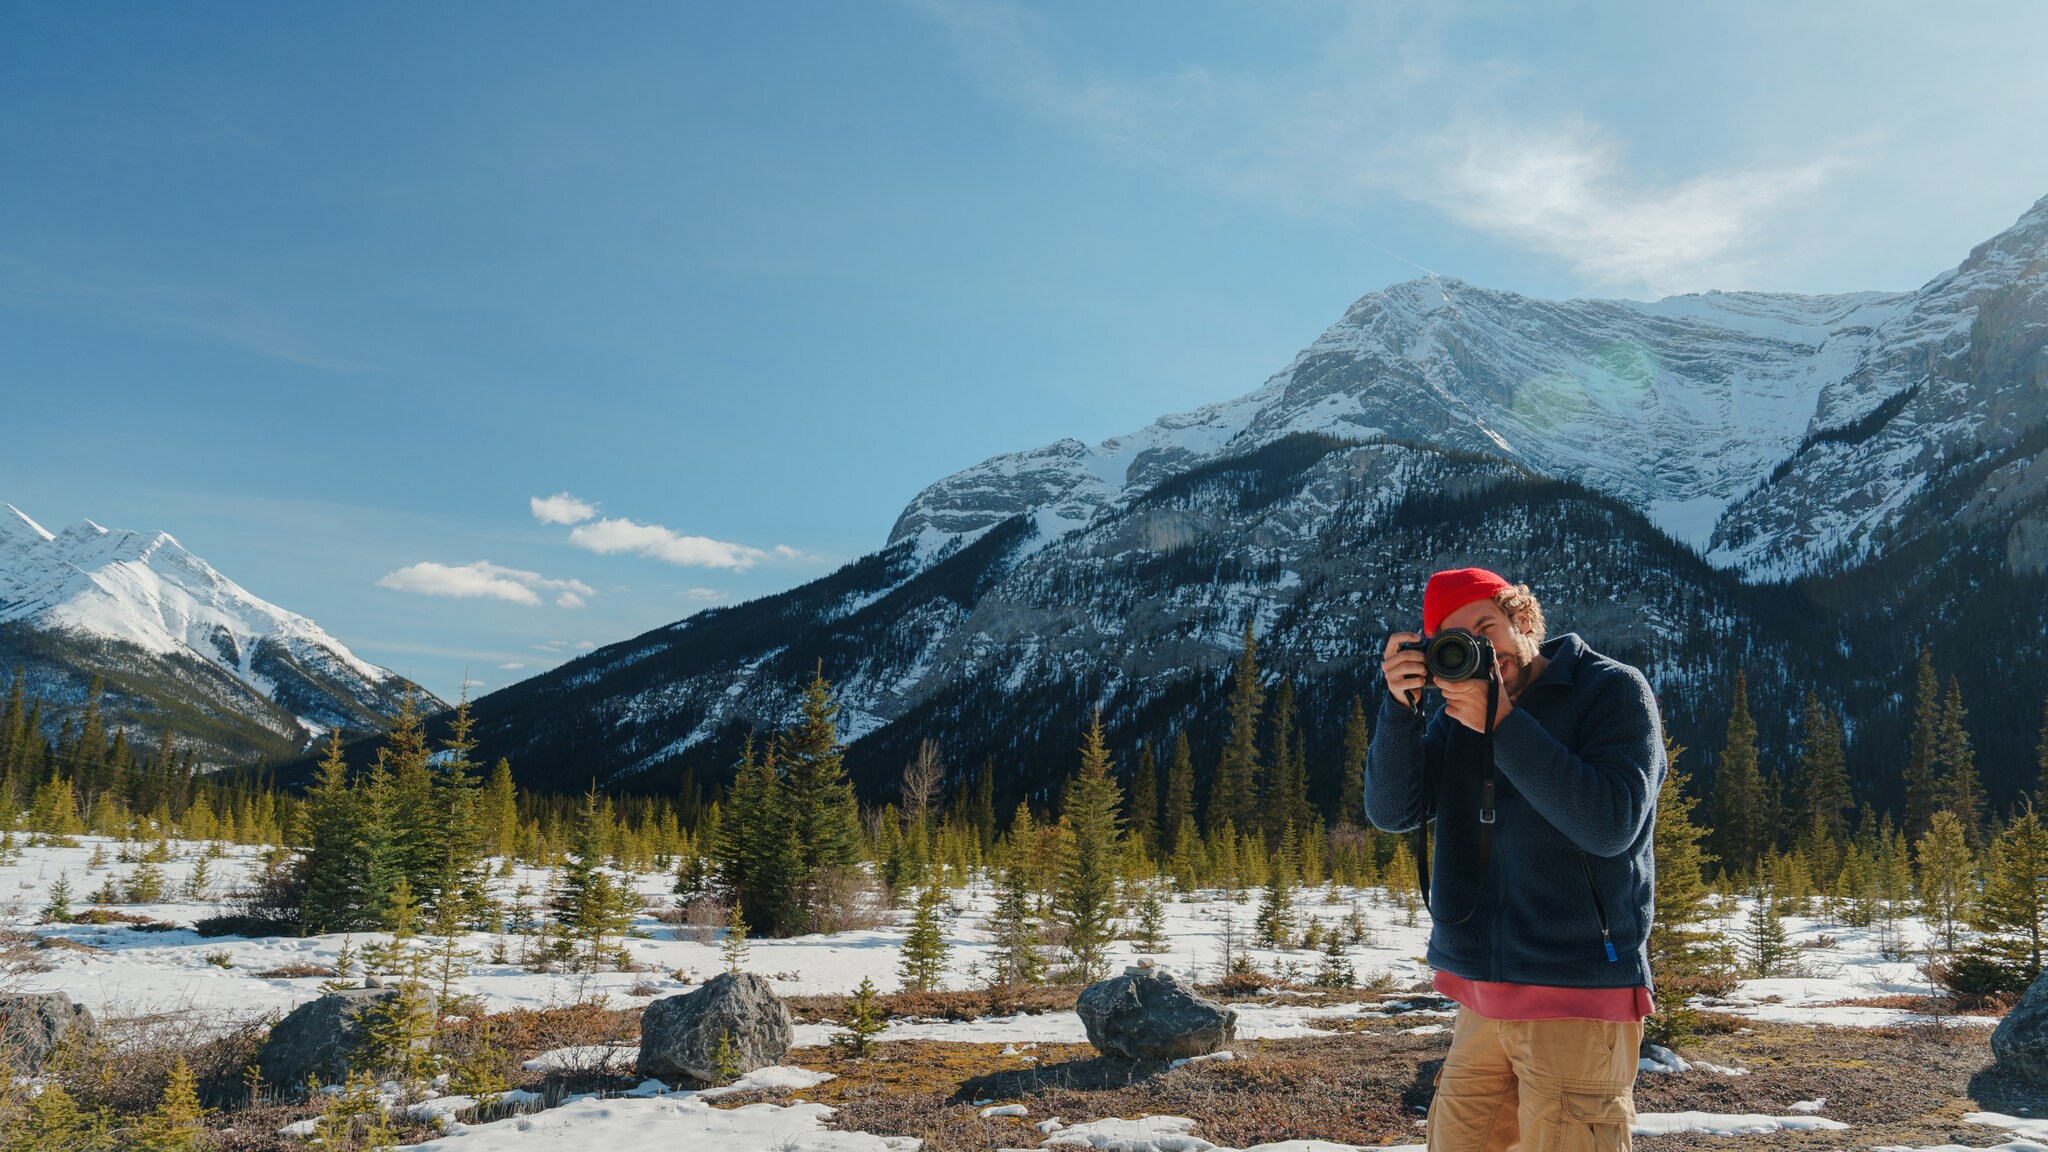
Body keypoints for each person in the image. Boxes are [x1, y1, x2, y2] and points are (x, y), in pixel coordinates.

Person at [1365, 566, 1665, 1152]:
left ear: (1522, 619)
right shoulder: (1459, 713)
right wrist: (1399, 711)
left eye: (1487, 627)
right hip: (1482, 993)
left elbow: (1610, 824)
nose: (1480, 649)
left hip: (1575, 990)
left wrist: (1501, 723)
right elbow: (1393, 811)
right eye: (1458, 639)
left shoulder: (1611, 690)